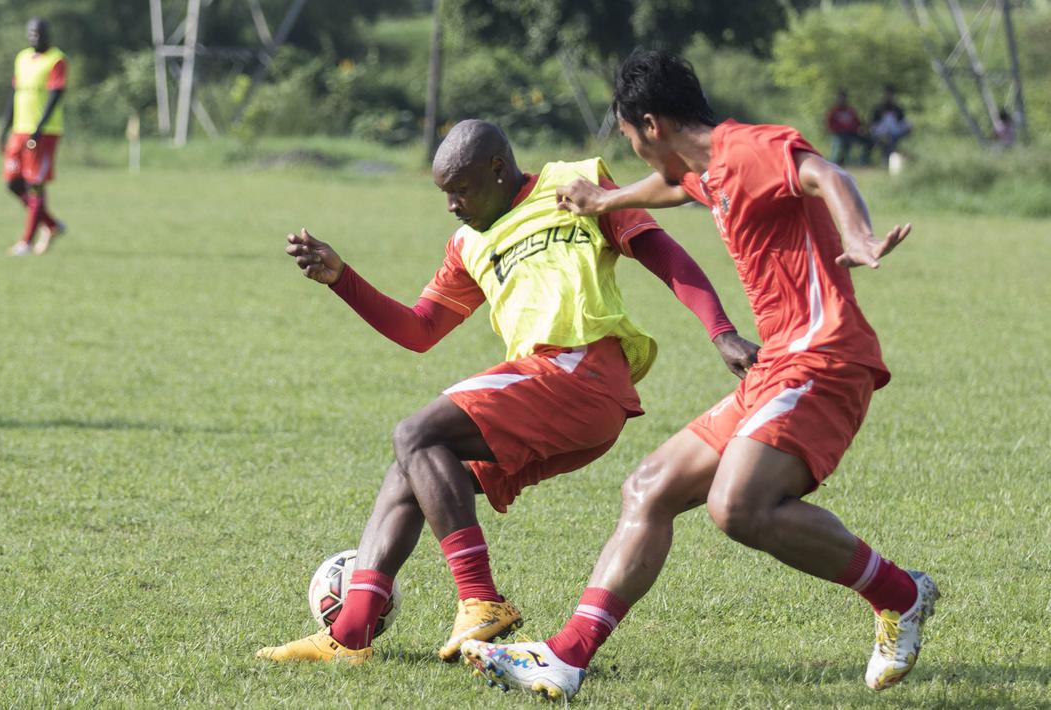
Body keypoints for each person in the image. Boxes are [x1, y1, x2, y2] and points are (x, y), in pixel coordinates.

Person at [461, 51, 936, 700]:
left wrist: (856, 237)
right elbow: (678, 186)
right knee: (649, 487)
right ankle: (565, 658)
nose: (631, 150)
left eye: (628, 139)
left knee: (736, 507)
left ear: (650, 125)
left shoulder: (745, 149)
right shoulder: (710, 169)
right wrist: (608, 198)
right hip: (779, 364)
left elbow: (823, 172)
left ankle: (899, 594)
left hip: (824, 357)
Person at [256, 119, 758, 665]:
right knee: (411, 468)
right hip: (556, 396)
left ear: (498, 168)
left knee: (415, 434)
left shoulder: (574, 184)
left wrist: (721, 331)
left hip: (581, 369)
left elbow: (663, 252)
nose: (452, 205)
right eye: (444, 194)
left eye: (461, 190)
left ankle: (479, 598)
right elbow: (419, 330)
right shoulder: (467, 243)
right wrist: (342, 279)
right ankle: (350, 636)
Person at [0, 17, 67, 256]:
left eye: (39, 32)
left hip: (44, 133)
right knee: (13, 182)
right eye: (31, 33)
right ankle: (51, 224)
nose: (34, 37)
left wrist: (39, 127)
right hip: (19, 130)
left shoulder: (56, 59)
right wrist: (4, 128)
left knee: (35, 185)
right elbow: (14, 94)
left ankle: (26, 242)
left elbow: (56, 94)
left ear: (48, 34)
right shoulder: (22, 58)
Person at [825, 89, 869, 166]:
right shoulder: (834, 111)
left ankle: (861, 162)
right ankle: (833, 162)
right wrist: (837, 130)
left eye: (844, 98)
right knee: (839, 144)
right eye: (840, 98)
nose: (842, 100)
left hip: (851, 134)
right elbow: (829, 124)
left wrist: (860, 129)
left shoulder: (851, 111)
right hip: (838, 135)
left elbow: (858, 123)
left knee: (865, 141)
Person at [870, 85, 911, 161]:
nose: (889, 96)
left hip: (895, 133)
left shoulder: (898, 109)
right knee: (886, 140)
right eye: (887, 94)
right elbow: (873, 125)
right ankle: (885, 159)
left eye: (891, 94)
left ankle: (891, 160)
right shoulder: (878, 109)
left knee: (891, 139)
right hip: (880, 134)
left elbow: (903, 123)